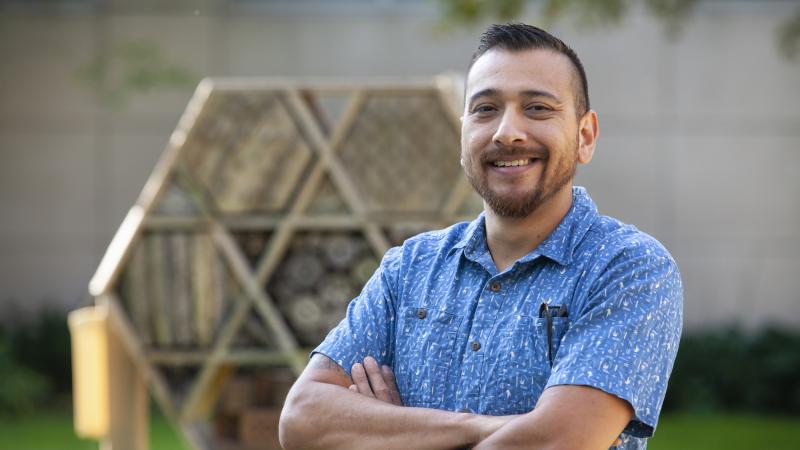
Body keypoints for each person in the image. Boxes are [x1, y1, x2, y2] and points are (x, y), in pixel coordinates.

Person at [279, 23, 682, 450]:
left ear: (585, 136)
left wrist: (393, 431)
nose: (507, 132)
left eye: (538, 109)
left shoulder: (628, 268)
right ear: (463, 134)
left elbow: (559, 441)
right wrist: (484, 428)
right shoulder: (410, 267)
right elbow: (302, 418)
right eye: (485, 109)